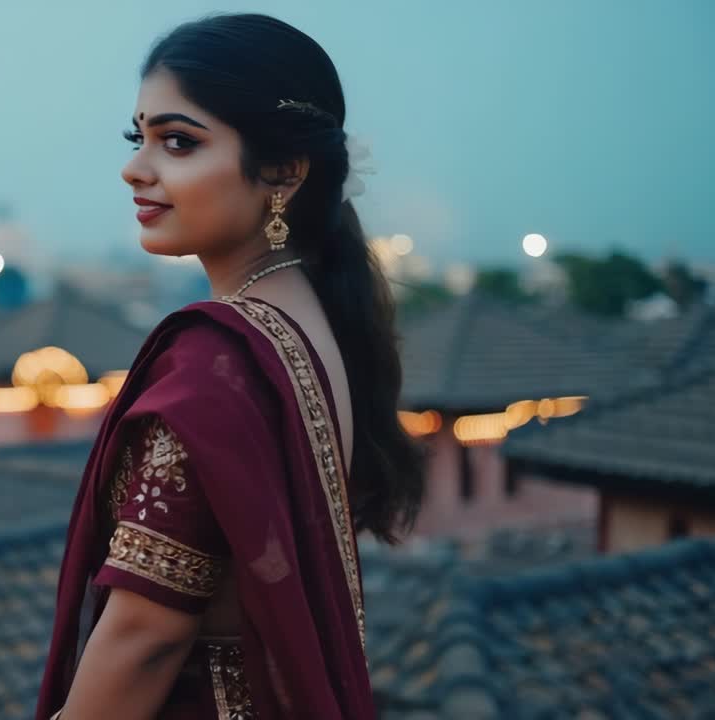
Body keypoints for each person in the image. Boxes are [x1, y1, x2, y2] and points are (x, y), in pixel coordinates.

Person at [35, 14, 424, 719]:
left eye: (178, 142)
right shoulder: (312, 322)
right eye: (139, 137)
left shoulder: (220, 360)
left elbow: (146, 631)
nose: (135, 168)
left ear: (283, 170)